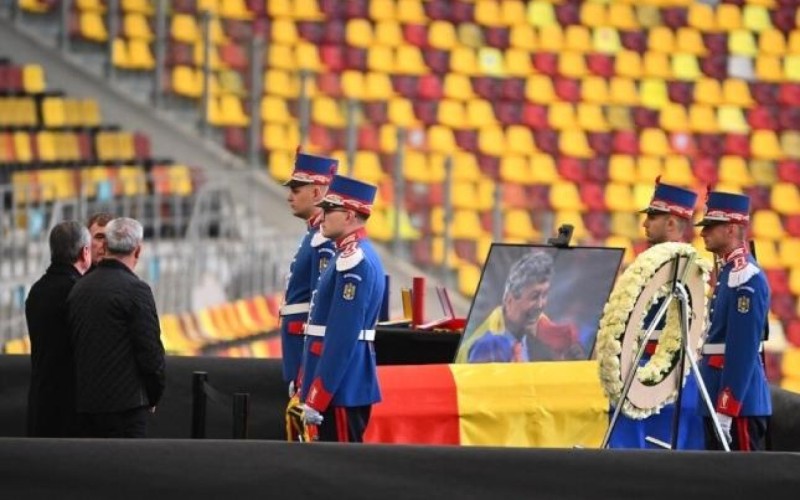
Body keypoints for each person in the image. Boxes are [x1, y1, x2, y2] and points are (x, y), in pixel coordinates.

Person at [610, 180, 703, 450]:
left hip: (666, 381)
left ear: (672, 223)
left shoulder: (687, 269)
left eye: (653, 216)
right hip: (638, 372)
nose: (645, 224)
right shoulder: (650, 262)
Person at [294, 175, 385, 443]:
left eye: (329, 210)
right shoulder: (344, 255)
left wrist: (318, 395)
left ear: (348, 215)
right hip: (335, 384)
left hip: (341, 387)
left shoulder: (354, 260)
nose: (321, 216)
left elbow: (342, 337)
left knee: (341, 471)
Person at [67, 217, 165, 438]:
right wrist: (154, 394)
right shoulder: (137, 290)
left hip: (86, 408)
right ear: (137, 251)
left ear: (106, 246)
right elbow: (150, 352)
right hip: (126, 411)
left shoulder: (78, 288)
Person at [696, 191, 771, 451]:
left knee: (745, 487)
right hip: (717, 396)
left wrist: (728, 407)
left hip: (738, 405)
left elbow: (742, 349)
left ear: (731, 229)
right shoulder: (729, 272)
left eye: (710, 226)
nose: (703, 233)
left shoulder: (745, 276)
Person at [280, 152, 338, 440]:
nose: (290, 196)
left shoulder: (322, 240)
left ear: (317, 192)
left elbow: (318, 307)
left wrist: (307, 370)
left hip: (305, 351)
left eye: (296, 189)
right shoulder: (313, 235)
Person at [25, 221, 92, 437]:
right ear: (85, 253)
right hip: (73, 407)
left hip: (41, 400)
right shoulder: (80, 292)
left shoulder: (37, 290)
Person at [456, 250, 583, 363]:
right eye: (534, 296)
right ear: (510, 300)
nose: (540, 305)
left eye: (544, 295)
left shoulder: (545, 341)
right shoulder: (483, 346)